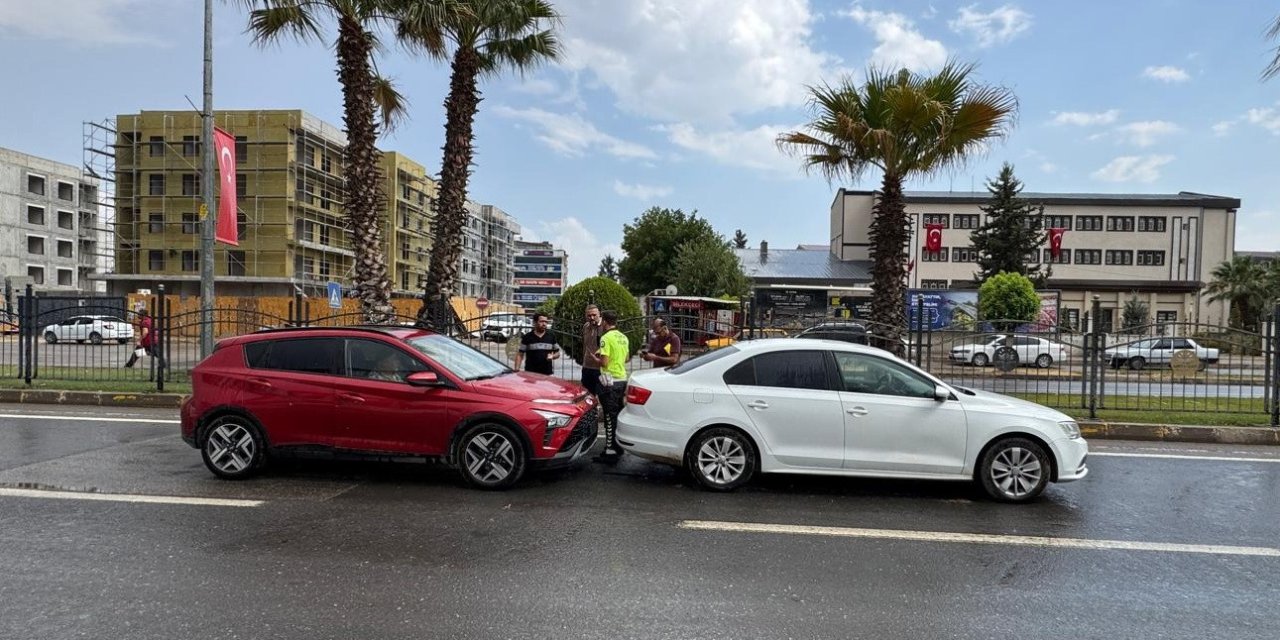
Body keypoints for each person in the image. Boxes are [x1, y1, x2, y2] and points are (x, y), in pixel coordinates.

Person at [594, 310, 630, 461]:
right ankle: (618, 446)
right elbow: (626, 358)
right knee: (618, 414)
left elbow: (604, 362)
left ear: (605, 322)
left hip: (609, 381)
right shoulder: (623, 337)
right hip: (622, 379)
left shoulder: (606, 338)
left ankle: (610, 450)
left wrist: (595, 359)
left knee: (609, 416)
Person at [580, 304, 604, 397]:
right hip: (587, 367)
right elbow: (585, 345)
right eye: (589, 315)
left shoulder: (604, 326)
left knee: (602, 396)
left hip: (600, 368)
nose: (592, 317)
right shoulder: (586, 326)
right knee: (587, 395)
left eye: (594, 315)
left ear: (599, 314)